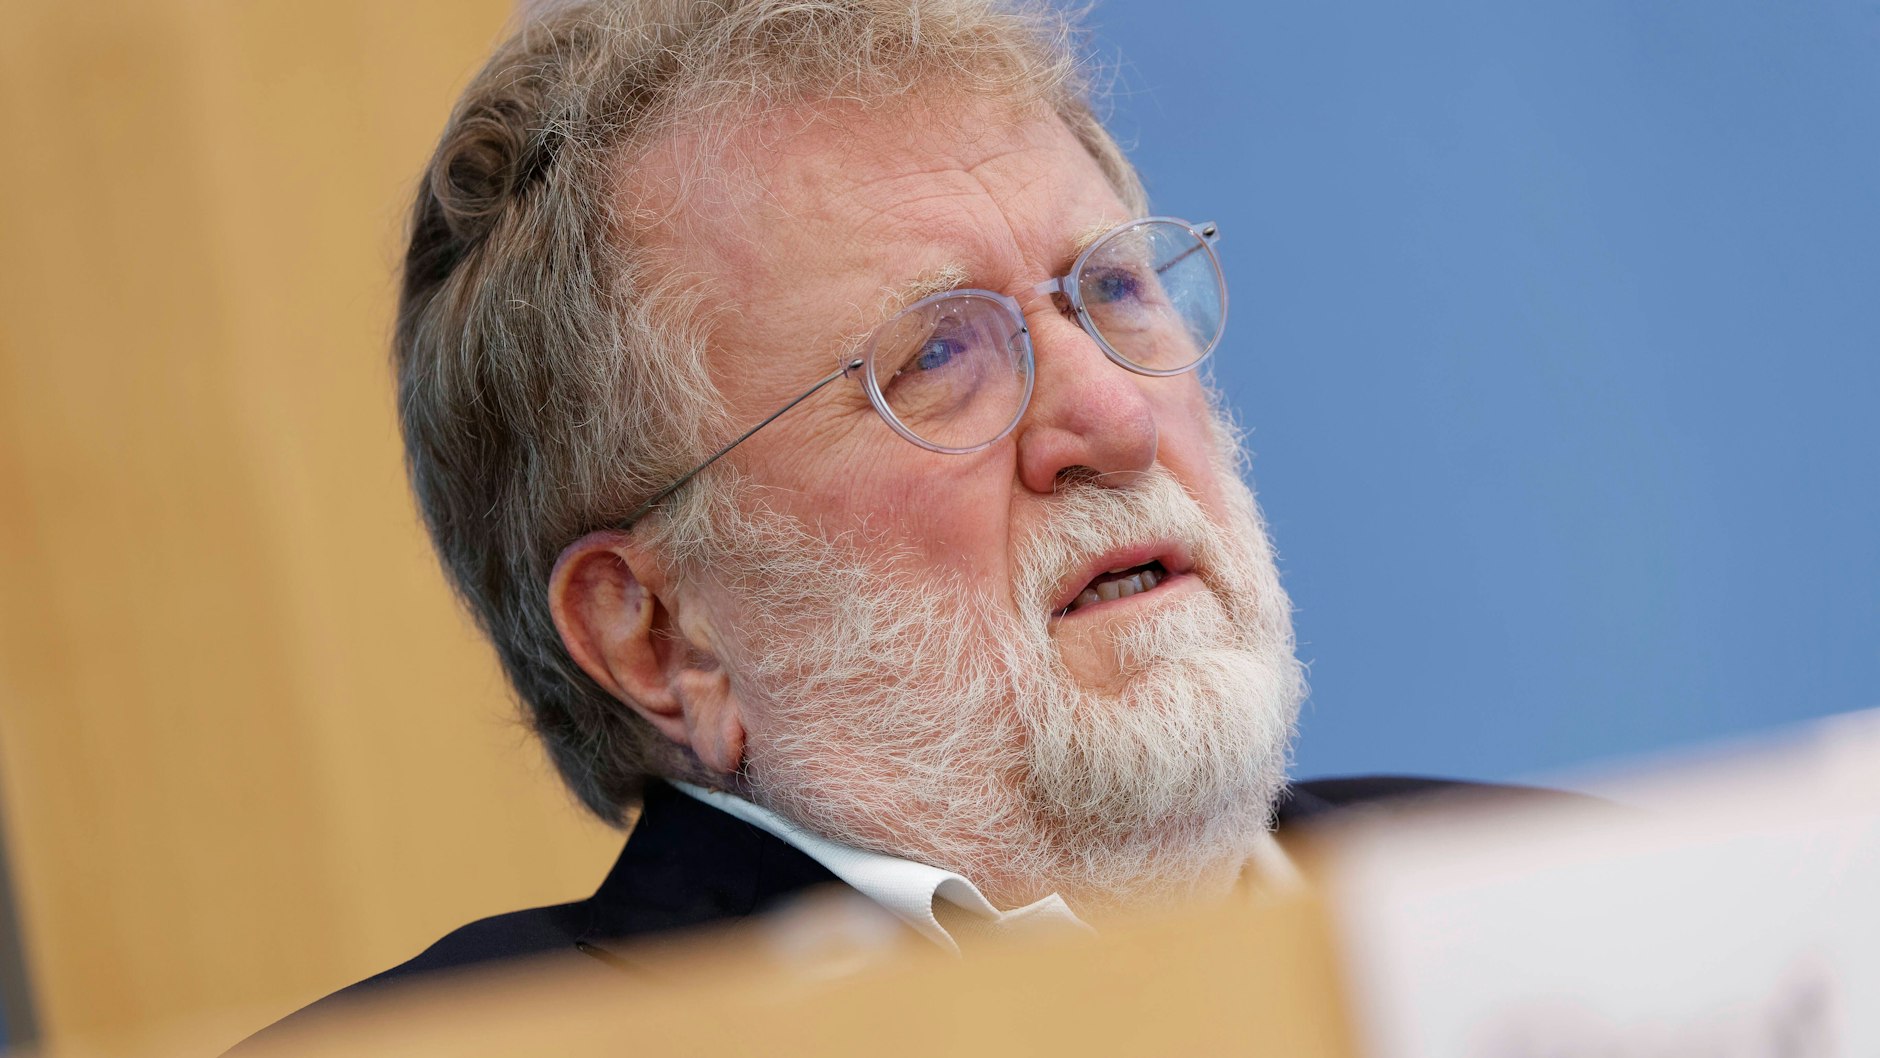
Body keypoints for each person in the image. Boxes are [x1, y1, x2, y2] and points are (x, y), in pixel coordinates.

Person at [243, 0, 1526, 1044]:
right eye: (936, 357)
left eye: (1113, 288)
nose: (1115, 419)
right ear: (661, 635)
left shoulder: (1546, 885)